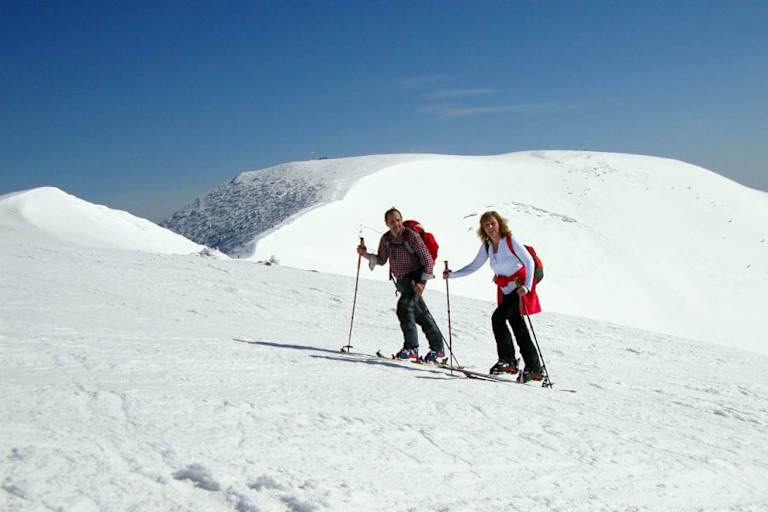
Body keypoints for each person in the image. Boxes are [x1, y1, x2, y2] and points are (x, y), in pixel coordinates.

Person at [443, 211, 543, 380]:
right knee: (519, 328)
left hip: (518, 289)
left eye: (492, 224)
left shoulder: (510, 240)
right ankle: (533, 368)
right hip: (505, 291)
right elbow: (474, 266)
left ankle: (509, 361)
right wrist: (453, 275)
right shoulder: (488, 246)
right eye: (486, 225)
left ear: (499, 224)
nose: (489, 227)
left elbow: (529, 262)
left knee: (498, 318)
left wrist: (526, 287)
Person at [357, 207, 445, 362]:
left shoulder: (411, 235)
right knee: (420, 314)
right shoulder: (386, 239)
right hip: (402, 281)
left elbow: (427, 260)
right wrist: (365, 255)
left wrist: (422, 282)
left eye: (398, 220)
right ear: (386, 223)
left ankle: (411, 347)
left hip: (415, 278)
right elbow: (382, 260)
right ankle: (437, 349)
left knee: (404, 307)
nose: (396, 223)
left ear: (402, 219)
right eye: (392, 221)